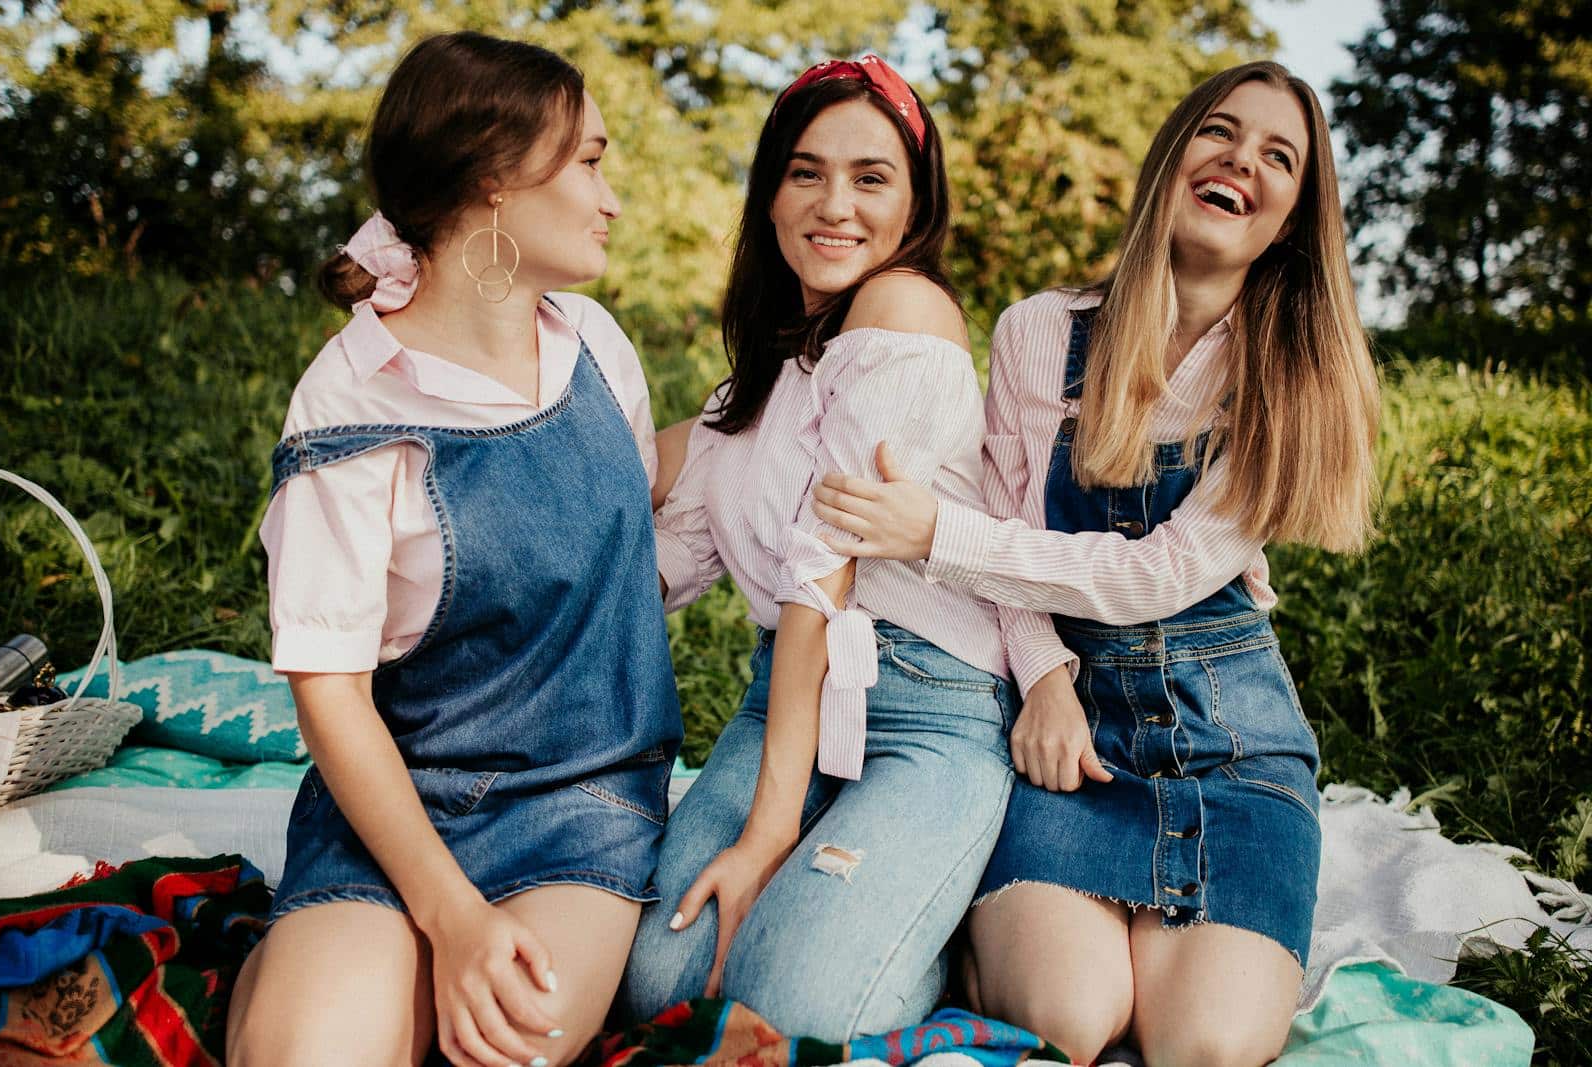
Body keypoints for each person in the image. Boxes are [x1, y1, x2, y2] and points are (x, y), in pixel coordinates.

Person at [811, 61, 1379, 1066]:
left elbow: (1156, 574)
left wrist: (933, 531)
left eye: (1276, 155)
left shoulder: (1290, 375)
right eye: (1219, 132)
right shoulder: (1041, 331)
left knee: (1201, 1044)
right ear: (1173, 158)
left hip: (1228, 740)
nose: (1239, 160)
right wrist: (1041, 677)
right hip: (1069, 735)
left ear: (1292, 215)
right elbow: (1015, 521)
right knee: (1069, 1017)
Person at [227, 31, 682, 1067]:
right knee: (310, 1053)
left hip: (585, 798)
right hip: (399, 798)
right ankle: (299, 953)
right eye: (590, 160)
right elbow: (330, 692)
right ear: (493, 182)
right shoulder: (348, 399)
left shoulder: (596, 346)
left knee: (506, 1047)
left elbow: (625, 496)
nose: (610, 196)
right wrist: (450, 915)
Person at [619, 57, 1015, 1040]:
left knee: (791, 1008)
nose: (833, 202)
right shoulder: (755, 389)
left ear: (916, 202)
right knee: (658, 980)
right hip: (783, 708)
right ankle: (858, 896)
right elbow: (614, 486)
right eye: (805, 172)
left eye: (870, 177)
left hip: (927, 712)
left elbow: (818, 577)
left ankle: (921, 926)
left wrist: (766, 832)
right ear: (770, 194)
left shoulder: (903, 313)